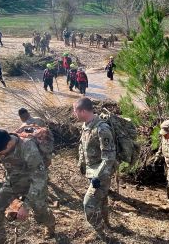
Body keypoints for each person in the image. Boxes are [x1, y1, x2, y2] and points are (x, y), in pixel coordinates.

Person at [74, 97, 116, 241]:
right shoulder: (86, 125)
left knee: (89, 204)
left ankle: (101, 233)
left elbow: (109, 158)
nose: (75, 114)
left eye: (75, 111)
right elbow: (83, 147)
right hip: (91, 172)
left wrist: (98, 177)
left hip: (101, 175)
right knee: (102, 199)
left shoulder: (102, 129)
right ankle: (106, 223)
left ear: (83, 111)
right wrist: (81, 164)